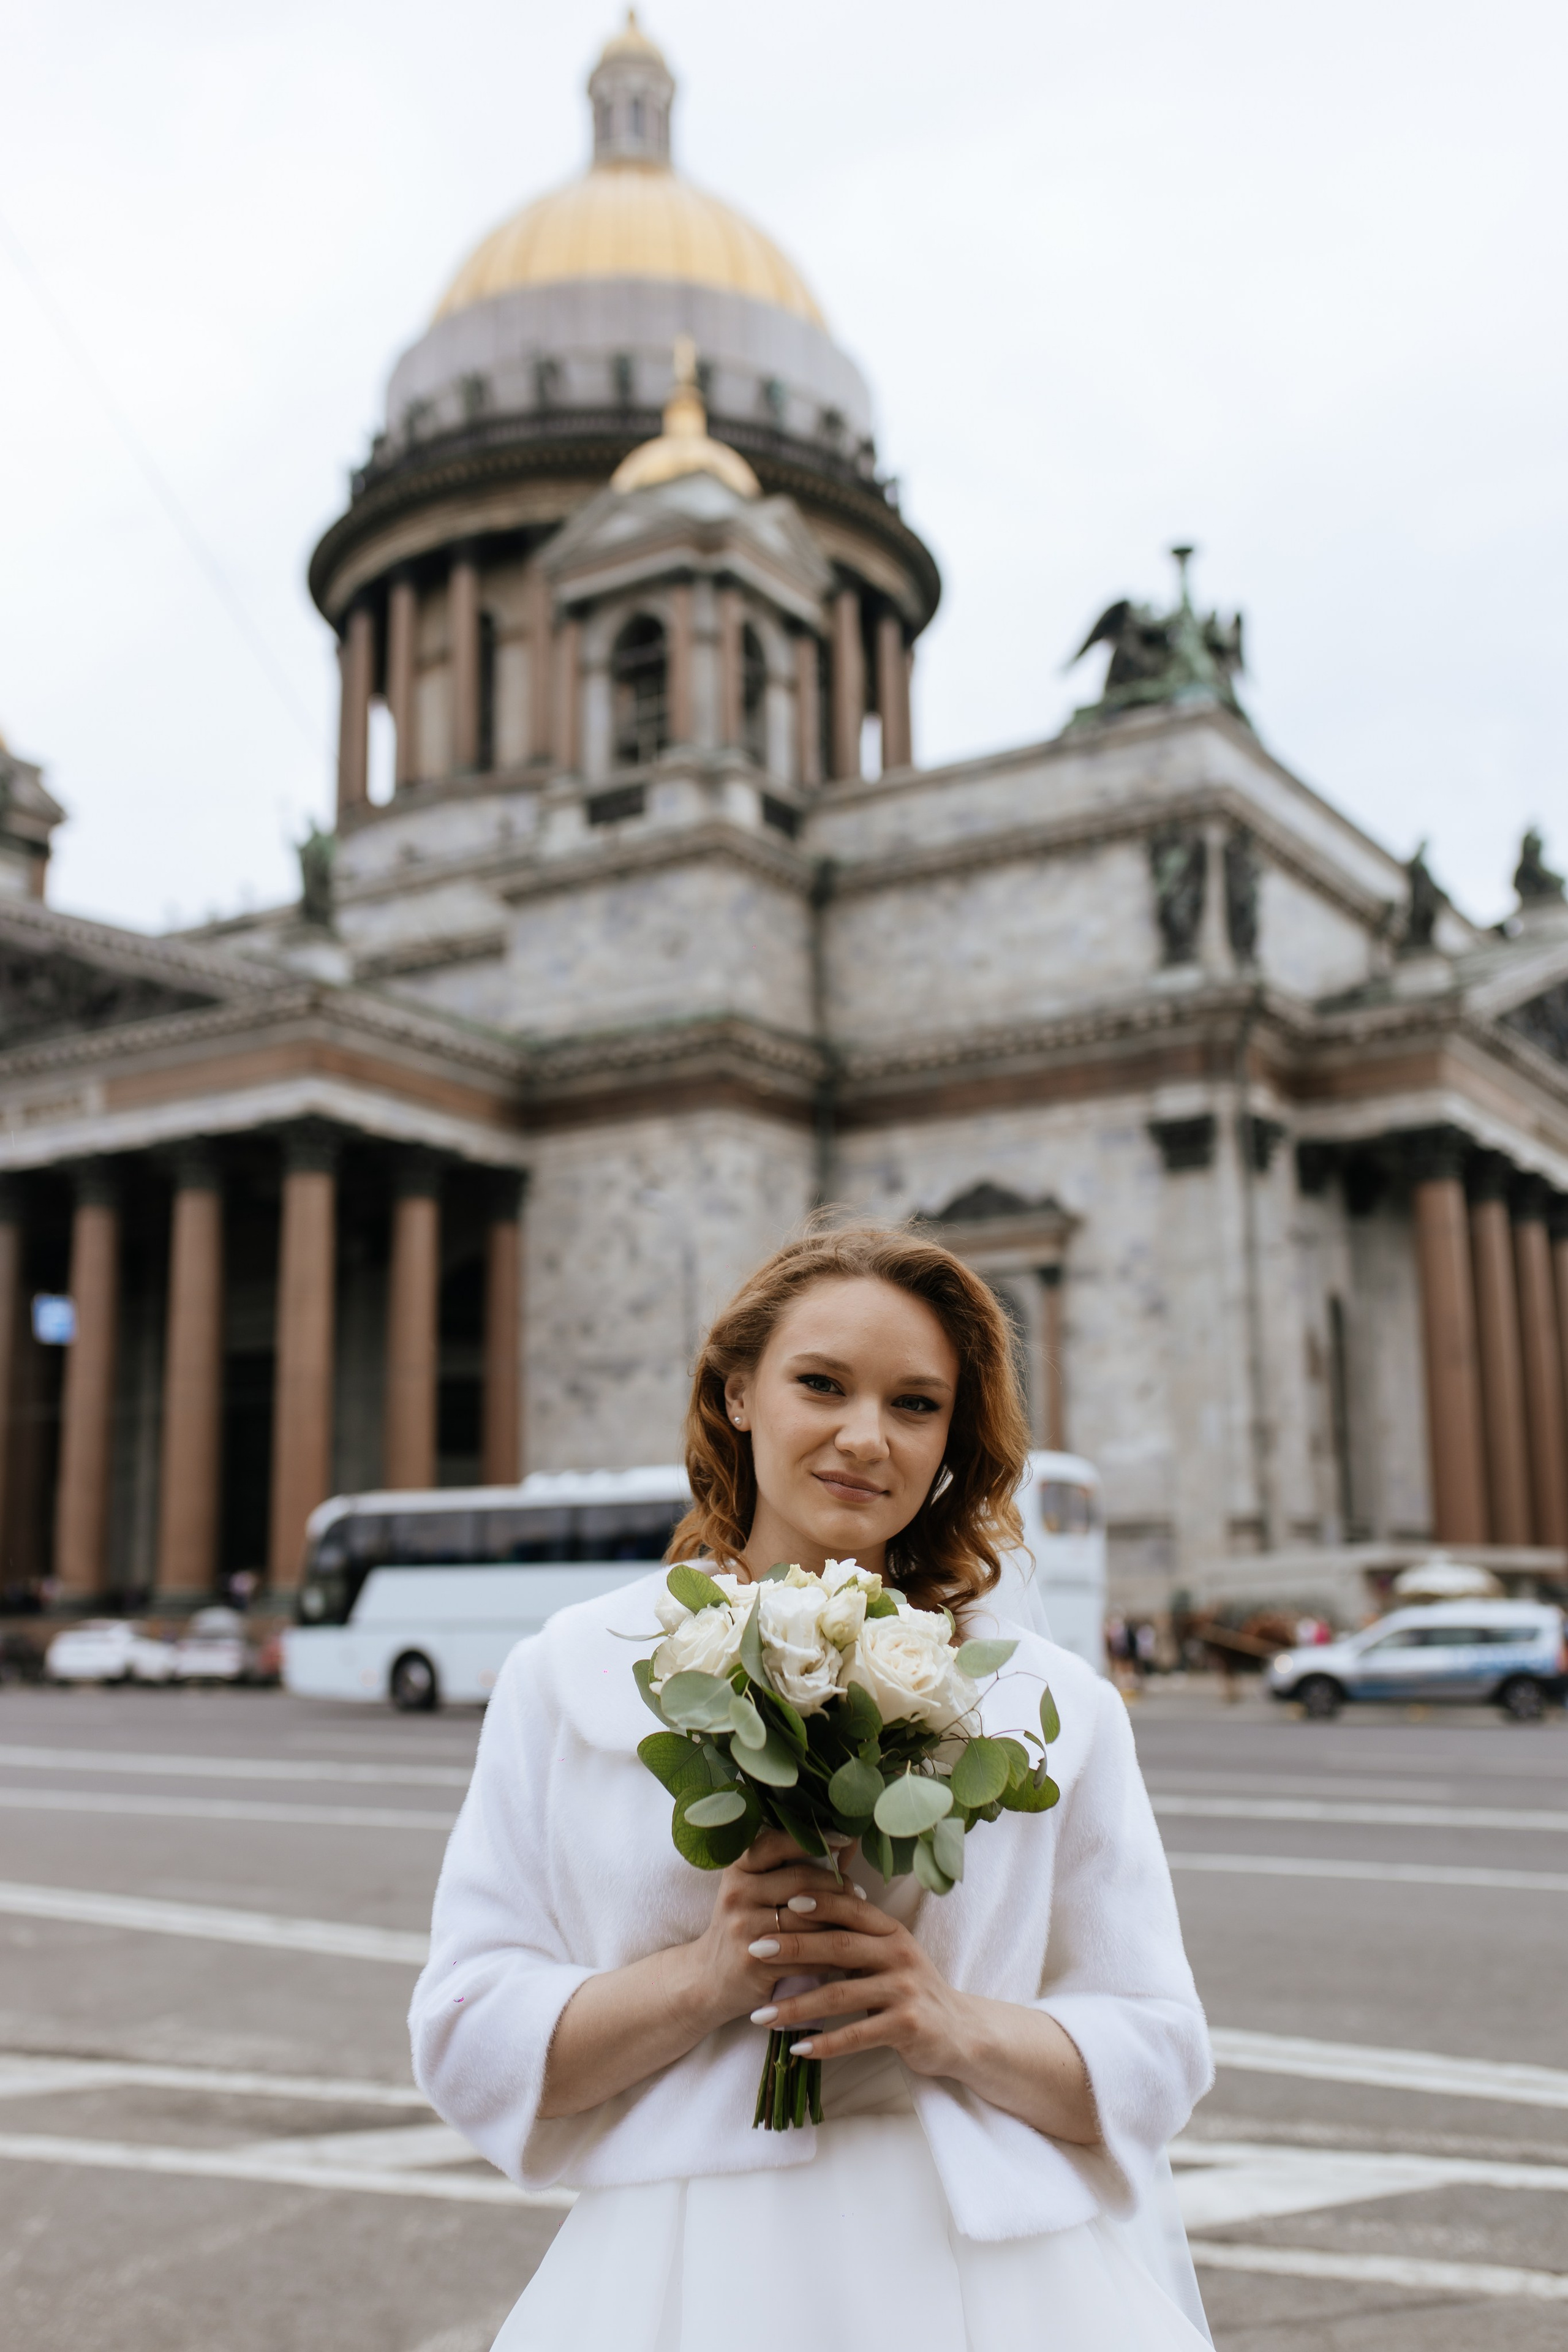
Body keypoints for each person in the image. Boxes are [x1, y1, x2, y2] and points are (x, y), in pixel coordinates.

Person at [410, 1226, 1214, 2351]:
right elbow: (464, 2036)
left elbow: (1161, 2052)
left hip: (996, 2281)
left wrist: (951, 2024)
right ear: (738, 1393)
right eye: (821, 1384)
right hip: (683, 2273)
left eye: (917, 1405)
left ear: (953, 1439)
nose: (865, 1438)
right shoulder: (572, 1672)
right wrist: (703, 1978)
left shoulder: (1054, 1706)